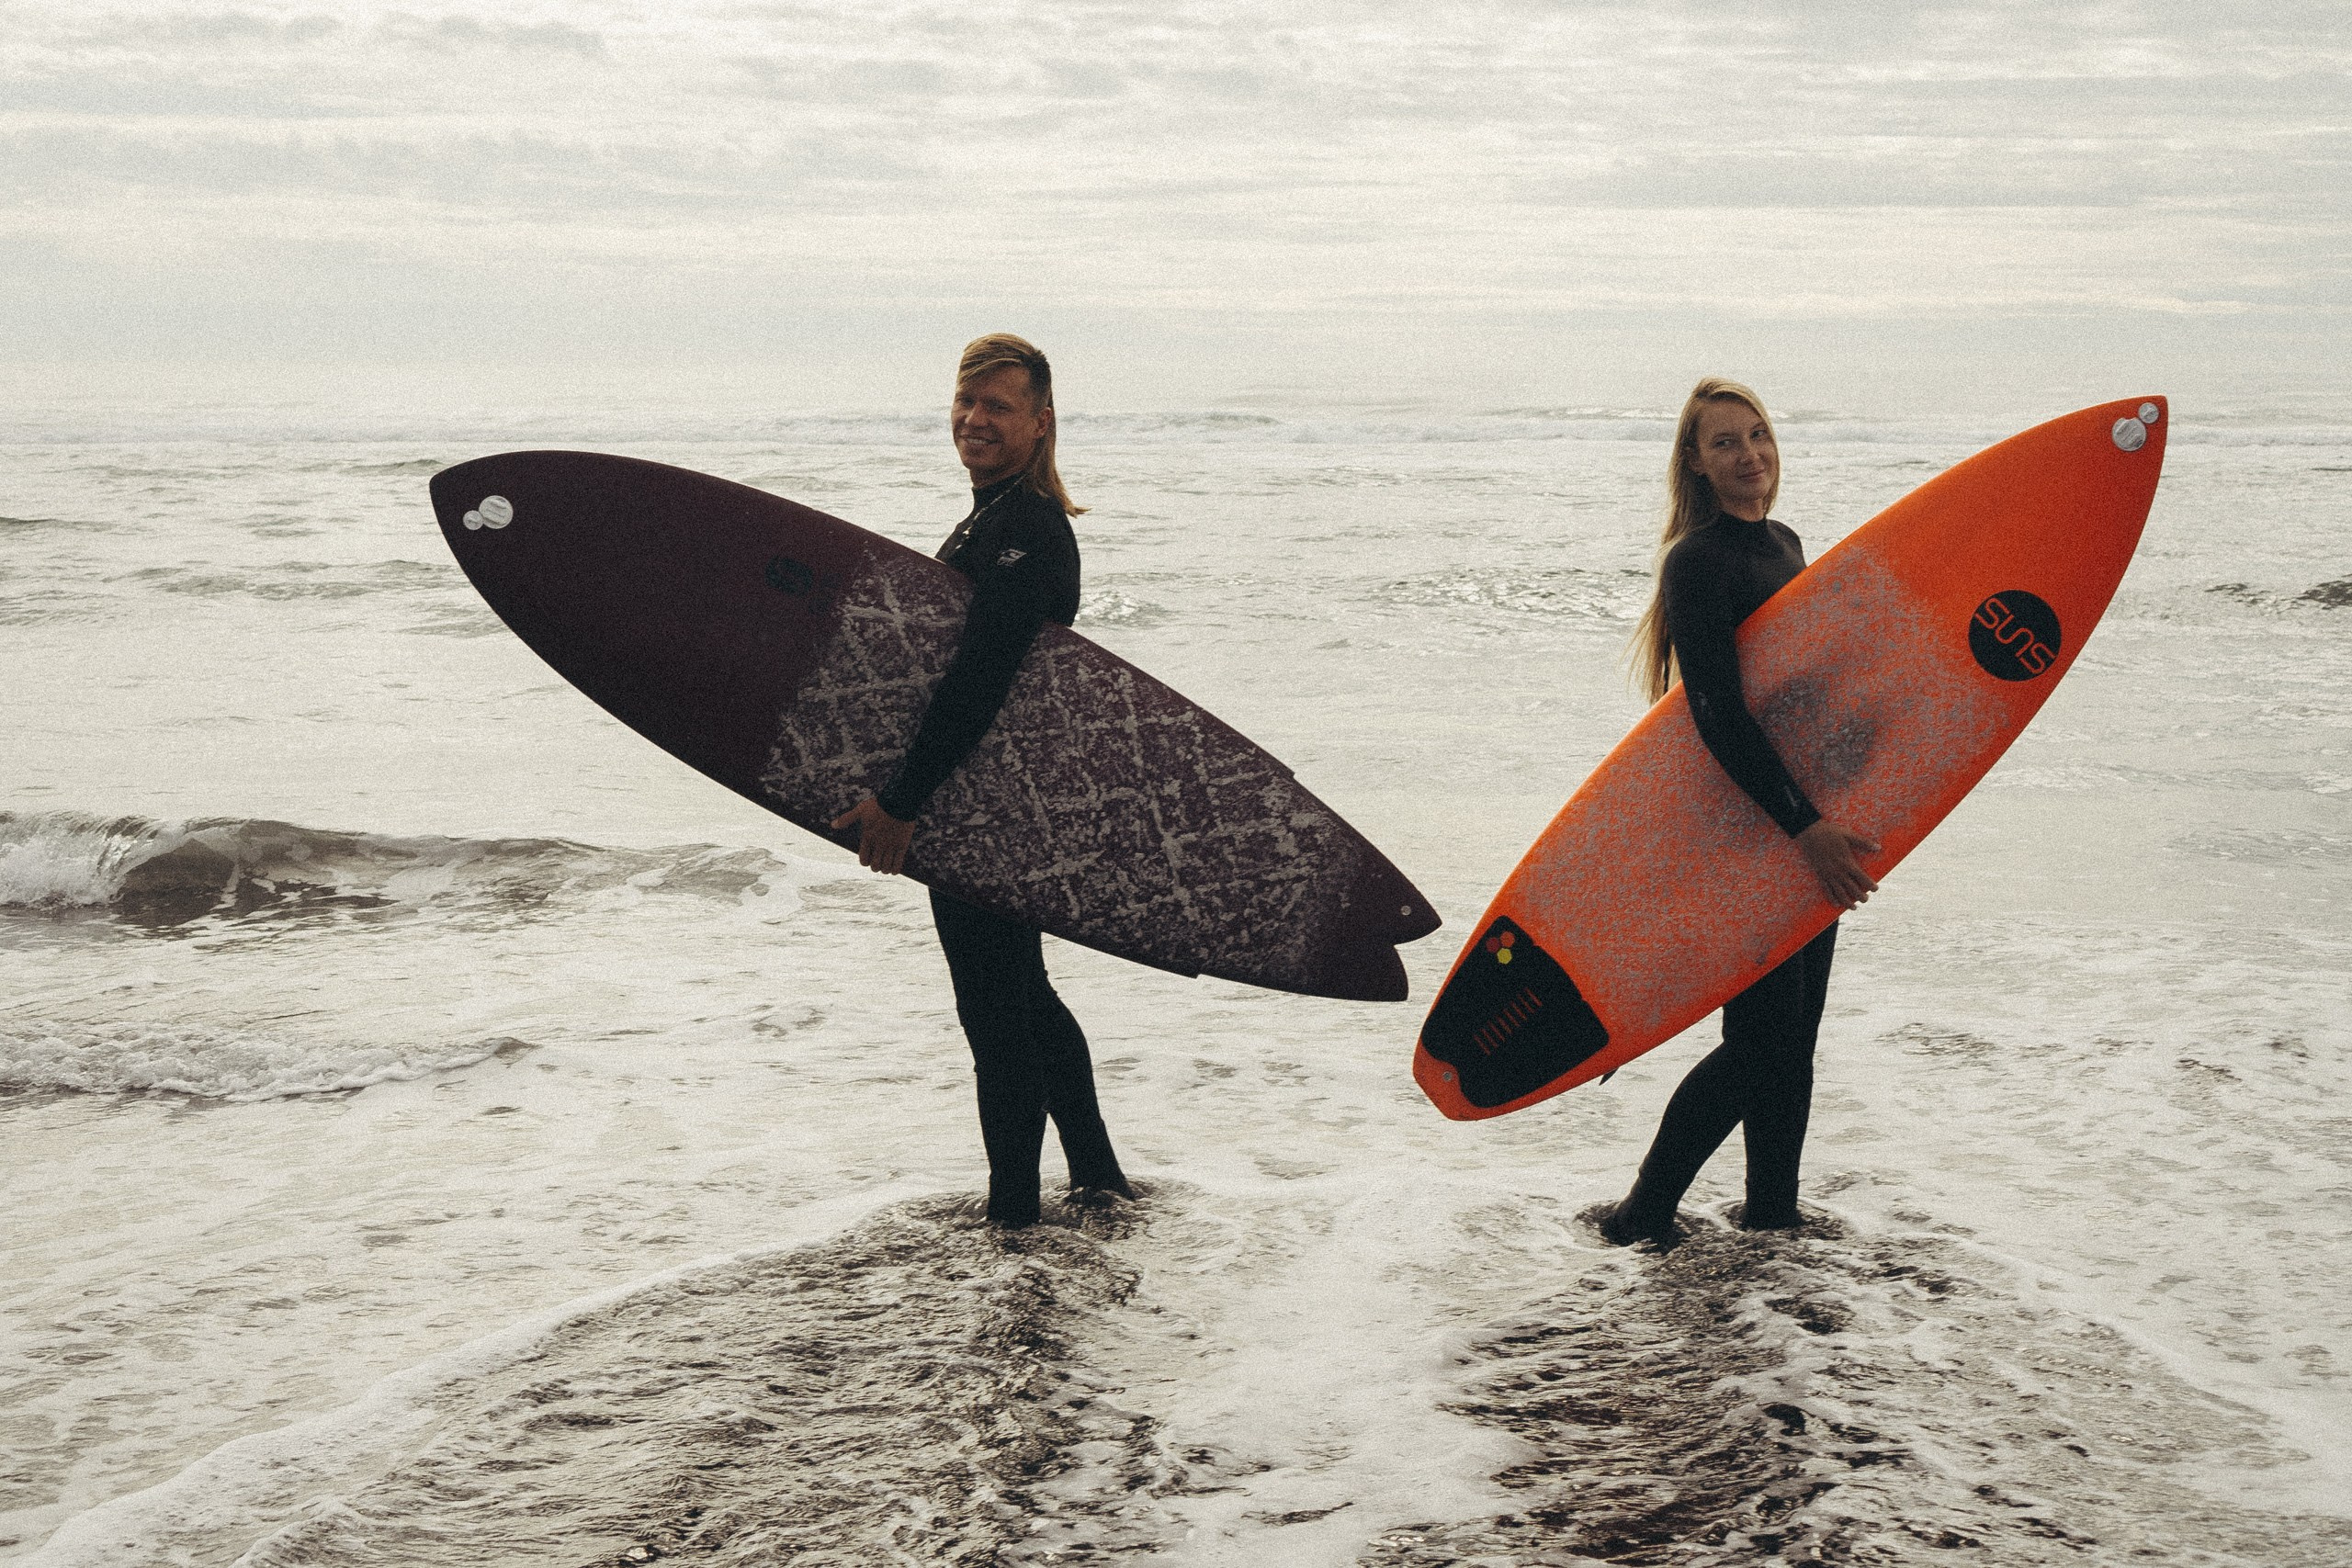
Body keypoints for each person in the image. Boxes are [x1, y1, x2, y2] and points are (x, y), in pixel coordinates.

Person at [829, 333, 1135, 1230]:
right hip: (988, 800)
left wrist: (902, 801)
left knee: (996, 1012)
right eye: (966, 404)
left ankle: (1012, 1222)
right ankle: (1098, 1181)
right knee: (1023, 997)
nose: (974, 421)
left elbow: (980, 680)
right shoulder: (988, 520)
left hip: (986, 806)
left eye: (997, 406)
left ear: (1040, 423)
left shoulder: (1026, 531)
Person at [1596, 377, 1880, 1247]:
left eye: (1756, 434)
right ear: (1695, 461)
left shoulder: (1786, 543)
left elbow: (1803, 692)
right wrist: (1803, 825)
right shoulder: (1698, 560)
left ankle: (1772, 1213)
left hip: (1807, 825)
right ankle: (1642, 1211)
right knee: (1759, 1041)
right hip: (1751, 829)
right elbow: (1718, 711)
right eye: (1724, 441)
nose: (1748, 453)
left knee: (1794, 1038)